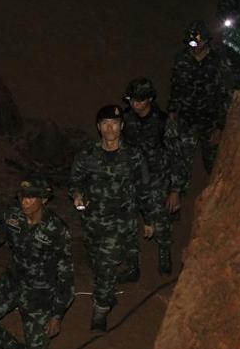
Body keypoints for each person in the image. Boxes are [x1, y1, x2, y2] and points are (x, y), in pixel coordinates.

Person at [0, 175, 74, 349]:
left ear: (43, 199)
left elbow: (66, 274)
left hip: (39, 293)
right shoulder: (12, 216)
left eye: (30, 197)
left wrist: (57, 315)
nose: (24, 202)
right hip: (12, 281)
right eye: (22, 196)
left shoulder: (57, 230)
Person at [69, 104, 149, 331]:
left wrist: (150, 218)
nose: (110, 128)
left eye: (114, 124)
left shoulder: (133, 156)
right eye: (105, 124)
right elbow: (75, 180)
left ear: (122, 126)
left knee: (105, 265)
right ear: (98, 127)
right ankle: (109, 288)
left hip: (120, 223)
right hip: (93, 222)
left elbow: (145, 188)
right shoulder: (87, 154)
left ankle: (100, 309)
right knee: (97, 262)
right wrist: (77, 194)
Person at [120, 77, 185, 278]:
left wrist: (175, 191)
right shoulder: (126, 120)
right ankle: (132, 266)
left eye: (139, 100)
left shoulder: (163, 122)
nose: (135, 104)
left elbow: (177, 156)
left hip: (158, 179)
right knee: (129, 222)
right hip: (133, 178)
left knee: (161, 221)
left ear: (149, 99)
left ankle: (164, 253)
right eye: (131, 100)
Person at [168, 20, 229, 186]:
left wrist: (220, 126)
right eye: (191, 42)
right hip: (187, 120)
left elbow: (224, 95)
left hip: (209, 122)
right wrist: (173, 111)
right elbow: (176, 86)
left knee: (213, 163)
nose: (194, 45)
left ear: (207, 40)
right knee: (183, 163)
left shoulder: (218, 62)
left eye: (197, 41)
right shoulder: (182, 59)